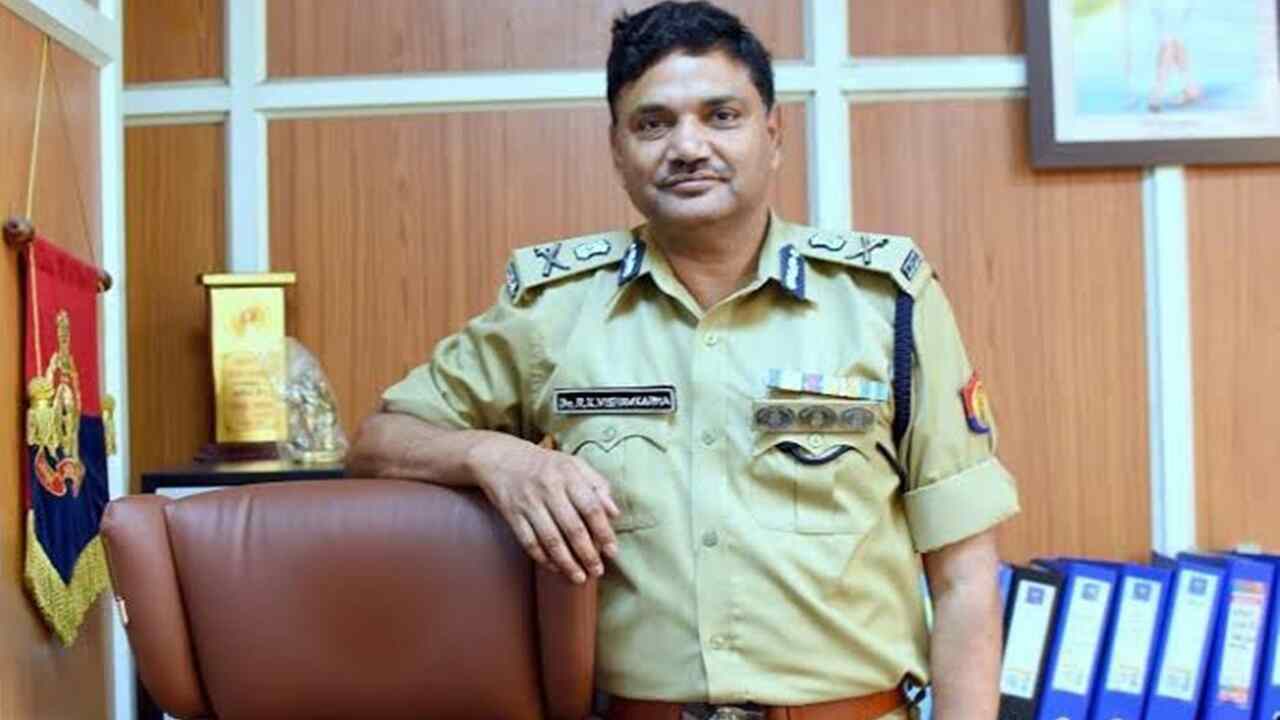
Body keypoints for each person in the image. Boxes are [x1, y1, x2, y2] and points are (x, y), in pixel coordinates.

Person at [349, 2, 1020, 718]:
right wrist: (498, 457)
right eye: (653, 123)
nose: (688, 146)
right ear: (617, 149)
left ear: (772, 133)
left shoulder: (885, 301)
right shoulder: (554, 310)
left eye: (721, 116)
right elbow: (378, 440)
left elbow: (964, 578)